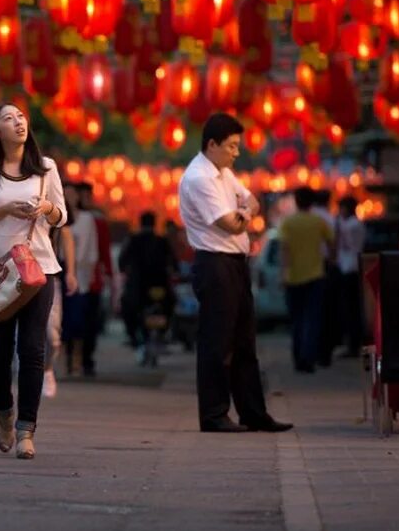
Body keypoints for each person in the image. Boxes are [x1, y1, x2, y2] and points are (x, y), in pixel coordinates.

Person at [0, 103, 66, 460]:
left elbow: (61, 214)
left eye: (21, 116)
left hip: (39, 271)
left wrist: (46, 210)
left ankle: (26, 430)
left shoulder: (45, 168)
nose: (18, 122)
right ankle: (5, 415)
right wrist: (5, 210)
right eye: (9, 118)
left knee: (33, 352)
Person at [178, 112, 292, 434]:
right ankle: (214, 414)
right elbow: (229, 222)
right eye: (231, 146)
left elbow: (252, 203)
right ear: (212, 145)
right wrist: (244, 213)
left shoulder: (223, 173)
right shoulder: (200, 178)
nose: (236, 153)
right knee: (218, 343)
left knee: (244, 342)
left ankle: (253, 412)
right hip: (215, 263)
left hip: (235, 262)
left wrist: (243, 213)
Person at [279, 187, 335, 373]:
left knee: (297, 320)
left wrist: (284, 274)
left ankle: (298, 358)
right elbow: (331, 244)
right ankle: (308, 358)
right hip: (315, 275)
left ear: (296, 201)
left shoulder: (288, 223)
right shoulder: (318, 222)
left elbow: (284, 250)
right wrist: (330, 262)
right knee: (312, 319)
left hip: (293, 277)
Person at [118, 211, 177, 357]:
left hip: (137, 288)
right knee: (169, 304)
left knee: (127, 308)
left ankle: (133, 338)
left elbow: (122, 261)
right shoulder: (162, 241)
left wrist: (125, 271)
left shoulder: (133, 240)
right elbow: (174, 263)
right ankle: (163, 333)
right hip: (160, 287)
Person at [61, 182, 98, 376]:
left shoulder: (86, 219)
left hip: (80, 276)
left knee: (78, 321)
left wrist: (82, 272)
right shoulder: (57, 216)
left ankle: (76, 359)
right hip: (59, 272)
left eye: (71, 194)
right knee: (61, 321)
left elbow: (91, 251)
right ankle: (62, 360)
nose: (69, 197)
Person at [77, 182, 113, 376]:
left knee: (90, 321)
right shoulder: (65, 217)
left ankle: (87, 358)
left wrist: (108, 274)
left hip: (92, 279)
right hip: (72, 275)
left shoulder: (98, 220)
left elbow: (104, 250)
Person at [44, 218, 76, 397]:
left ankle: (47, 369)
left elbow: (66, 233)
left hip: (49, 273)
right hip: (15, 269)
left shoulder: (52, 195)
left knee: (52, 333)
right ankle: (28, 375)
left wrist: (71, 272)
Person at [334, 196, 366, 358]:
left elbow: (344, 240)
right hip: (348, 267)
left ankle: (354, 344)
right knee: (350, 309)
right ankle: (352, 343)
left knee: (351, 309)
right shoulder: (352, 224)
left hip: (350, 269)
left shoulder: (353, 225)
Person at [311, 190, 338, 365]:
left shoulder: (310, 217)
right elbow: (333, 244)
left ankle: (312, 351)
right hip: (324, 266)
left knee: (311, 312)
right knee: (325, 312)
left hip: (308, 265)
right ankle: (324, 353)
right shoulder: (329, 219)